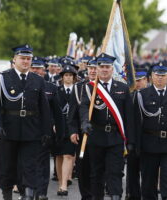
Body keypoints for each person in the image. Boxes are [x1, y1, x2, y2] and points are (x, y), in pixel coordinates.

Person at [0, 45, 50, 200]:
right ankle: (7, 194)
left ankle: (28, 194)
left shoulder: (37, 80)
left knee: (30, 165)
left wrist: (46, 131)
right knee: (7, 166)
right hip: (9, 129)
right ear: (15, 59)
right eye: (22, 58)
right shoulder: (3, 77)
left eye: (28, 58)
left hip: (31, 130)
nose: (25, 61)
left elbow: (44, 108)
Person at [79, 53, 135, 200]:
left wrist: (130, 141)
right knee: (96, 173)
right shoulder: (90, 88)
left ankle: (116, 197)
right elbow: (84, 107)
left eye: (107, 67)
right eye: (101, 67)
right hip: (96, 136)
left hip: (116, 138)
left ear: (112, 69)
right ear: (97, 69)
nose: (104, 70)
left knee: (115, 172)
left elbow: (129, 117)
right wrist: (85, 122)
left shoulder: (122, 88)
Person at [134, 63, 167, 200]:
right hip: (149, 144)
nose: (160, 78)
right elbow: (137, 122)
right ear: (151, 76)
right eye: (157, 75)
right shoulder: (142, 95)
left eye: (163, 76)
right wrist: (136, 145)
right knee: (148, 181)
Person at [30, 56, 65, 200]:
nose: (37, 71)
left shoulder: (51, 88)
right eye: (34, 68)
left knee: (43, 164)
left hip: (45, 132)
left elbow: (58, 113)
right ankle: (28, 189)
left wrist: (61, 133)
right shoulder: (23, 87)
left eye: (40, 69)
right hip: (27, 131)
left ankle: (42, 192)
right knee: (28, 162)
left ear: (44, 71)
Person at [69, 57, 97, 200]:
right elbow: (72, 114)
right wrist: (73, 131)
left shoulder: (107, 88)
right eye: (90, 68)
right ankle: (86, 195)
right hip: (83, 135)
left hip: (101, 135)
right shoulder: (79, 87)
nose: (93, 70)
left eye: (95, 68)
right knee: (83, 167)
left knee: (97, 168)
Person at [54, 62, 78, 196]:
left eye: (70, 75)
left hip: (72, 128)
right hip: (58, 127)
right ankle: (60, 182)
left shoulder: (79, 90)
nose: (68, 78)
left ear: (74, 77)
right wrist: (52, 123)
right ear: (62, 77)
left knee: (68, 155)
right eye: (65, 75)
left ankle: (64, 185)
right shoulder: (57, 90)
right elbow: (51, 109)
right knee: (59, 156)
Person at [125, 66, 148, 200]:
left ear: (146, 80)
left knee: (147, 173)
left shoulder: (151, 94)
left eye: (140, 80)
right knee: (132, 171)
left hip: (147, 140)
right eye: (136, 80)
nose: (138, 83)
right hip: (132, 139)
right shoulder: (130, 95)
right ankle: (132, 195)